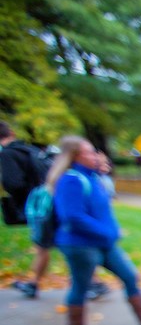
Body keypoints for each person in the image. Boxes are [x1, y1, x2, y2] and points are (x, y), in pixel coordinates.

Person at [50, 136, 141, 325]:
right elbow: (72, 216)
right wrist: (106, 232)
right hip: (80, 244)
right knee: (81, 286)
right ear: (76, 156)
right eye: (89, 152)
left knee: (130, 276)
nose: (95, 155)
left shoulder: (92, 178)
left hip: (103, 243)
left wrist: (110, 231)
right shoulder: (71, 180)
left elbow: (101, 209)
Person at [2, 123, 108, 300]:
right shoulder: (31, 150)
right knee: (52, 245)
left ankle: (89, 283)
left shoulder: (8, 154)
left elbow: (13, 183)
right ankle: (38, 283)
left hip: (46, 207)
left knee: (50, 245)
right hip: (54, 206)